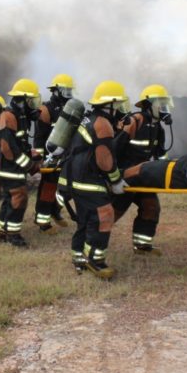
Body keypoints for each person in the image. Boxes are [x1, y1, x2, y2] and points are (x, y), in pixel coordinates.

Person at [58, 80, 129, 279]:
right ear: (110, 105)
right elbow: (104, 159)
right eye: (119, 104)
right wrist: (115, 181)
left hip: (74, 176)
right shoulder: (103, 124)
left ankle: (79, 258)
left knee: (86, 219)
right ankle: (95, 262)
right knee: (105, 215)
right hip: (86, 179)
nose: (121, 109)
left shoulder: (90, 119)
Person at [112, 84, 174, 255]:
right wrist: (113, 176)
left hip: (142, 176)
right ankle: (91, 241)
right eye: (160, 104)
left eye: (165, 104)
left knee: (151, 207)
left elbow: (161, 155)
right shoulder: (134, 121)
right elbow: (113, 149)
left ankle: (142, 245)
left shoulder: (158, 128)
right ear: (148, 104)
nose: (163, 109)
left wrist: (165, 174)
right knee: (113, 212)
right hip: (125, 177)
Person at [0, 79, 41, 247]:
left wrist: (31, 155)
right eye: (32, 101)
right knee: (19, 196)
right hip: (8, 166)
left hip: (10, 165)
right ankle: (13, 235)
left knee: (9, 197)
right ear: (24, 100)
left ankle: (3, 232)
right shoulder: (8, 116)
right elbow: (7, 148)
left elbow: (18, 143)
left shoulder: (20, 116)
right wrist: (28, 165)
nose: (34, 106)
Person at [32, 74, 74, 233]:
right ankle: (42, 220)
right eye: (66, 89)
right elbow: (39, 137)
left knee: (69, 188)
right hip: (52, 157)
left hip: (68, 156)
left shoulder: (71, 107)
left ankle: (55, 210)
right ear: (56, 90)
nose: (69, 92)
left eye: (70, 90)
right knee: (48, 187)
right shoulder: (45, 109)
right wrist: (41, 158)